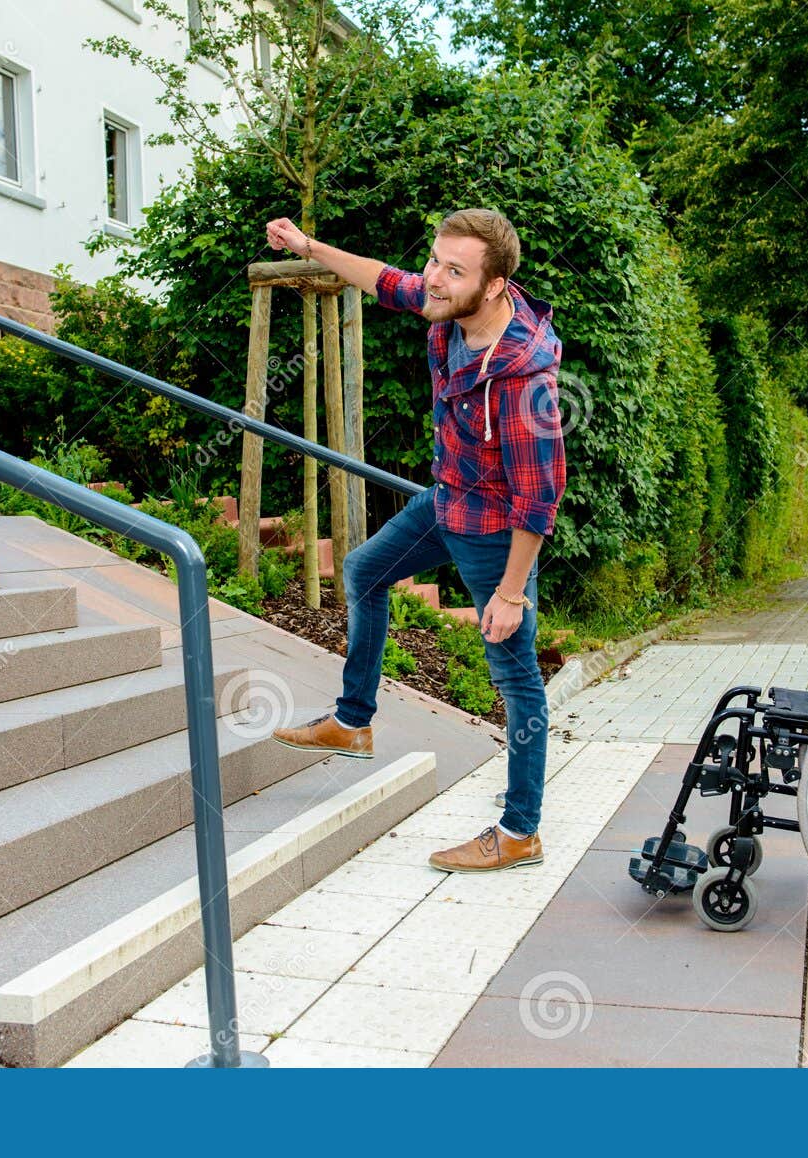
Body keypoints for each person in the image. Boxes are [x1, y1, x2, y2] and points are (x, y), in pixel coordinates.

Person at [265, 208, 567, 873]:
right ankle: (353, 721)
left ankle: (520, 831)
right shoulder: (448, 304)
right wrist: (308, 245)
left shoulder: (523, 379)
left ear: (493, 285)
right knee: (364, 571)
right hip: (447, 502)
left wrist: (511, 592)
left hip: (495, 534)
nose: (433, 277)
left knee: (516, 678)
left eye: (454, 270)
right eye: (435, 260)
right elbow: (382, 279)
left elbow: (540, 495)